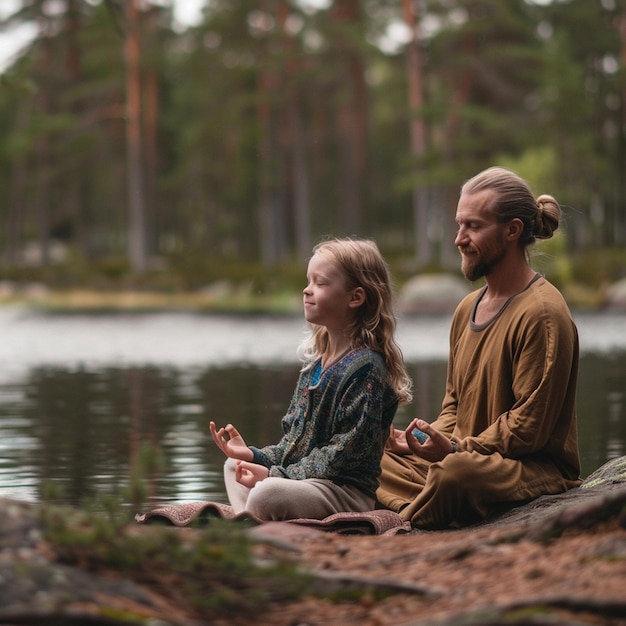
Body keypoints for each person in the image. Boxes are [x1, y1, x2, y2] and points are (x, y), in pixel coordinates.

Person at [377, 166, 581, 529]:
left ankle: (400, 519)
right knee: (373, 455)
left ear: (512, 231)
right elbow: (455, 407)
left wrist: (456, 450)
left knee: (455, 475)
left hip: (529, 467)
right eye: (459, 225)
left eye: (473, 226)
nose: (459, 238)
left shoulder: (543, 313)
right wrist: (421, 440)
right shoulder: (465, 309)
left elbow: (528, 430)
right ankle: (422, 504)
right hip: (467, 454)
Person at [210, 237, 413, 521]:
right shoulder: (316, 365)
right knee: (234, 465)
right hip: (305, 481)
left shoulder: (366, 368)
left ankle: (254, 520)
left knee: (266, 492)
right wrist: (254, 456)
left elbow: (340, 456)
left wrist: (273, 474)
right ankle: (252, 521)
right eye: (308, 281)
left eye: (320, 283)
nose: (307, 290)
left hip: (344, 492)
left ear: (355, 297)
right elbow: (294, 444)